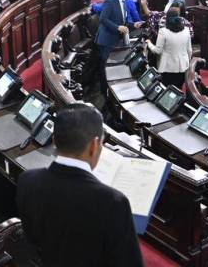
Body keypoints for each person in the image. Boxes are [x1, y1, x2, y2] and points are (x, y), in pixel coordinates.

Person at [16, 103, 144, 267]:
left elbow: (33, 240)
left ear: (54, 140)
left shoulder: (27, 180)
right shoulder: (113, 202)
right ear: (94, 145)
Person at [96, 0, 144, 92]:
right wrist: (117, 27)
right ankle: (105, 93)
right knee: (105, 69)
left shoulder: (124, 1)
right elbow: (103, 19)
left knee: (113, 69)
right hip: (107, 40)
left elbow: (123, 21)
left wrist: (134, 24)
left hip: (116, 40)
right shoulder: (110, 1)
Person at [147, 8, 192, 89]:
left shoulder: (163, 31)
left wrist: (149, 44)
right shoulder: (186, 30)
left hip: (167, 68)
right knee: (178, 90)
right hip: (182, 67)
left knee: (167, 91)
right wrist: (186, 61)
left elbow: (158, 51)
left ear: (167, 18)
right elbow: (189, 50)